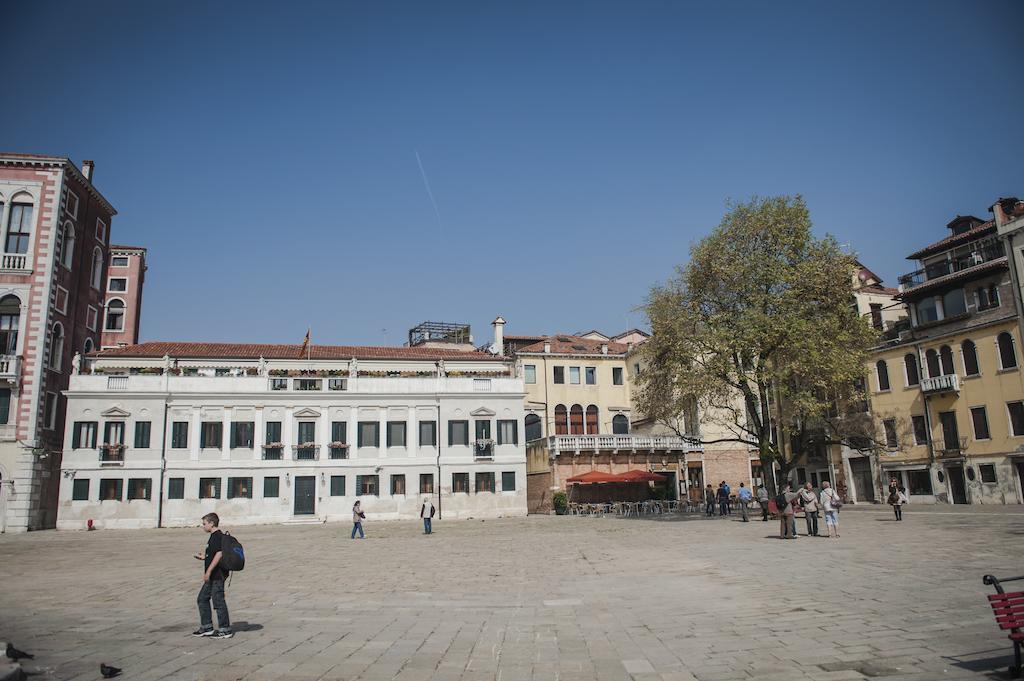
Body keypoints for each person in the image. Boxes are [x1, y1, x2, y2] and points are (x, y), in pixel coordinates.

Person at [192, 513, 233, 639]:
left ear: (211, 523)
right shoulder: (214, 537)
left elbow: (219, 554)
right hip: (213, 576)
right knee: (202, 599)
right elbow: (214, 554)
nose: (203, 526)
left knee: (218, 601)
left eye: (204, 524)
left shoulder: (216, 537)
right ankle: (207, 626)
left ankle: (225, 629)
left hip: (216, 575)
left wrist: (208, 571)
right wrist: (204, 557)